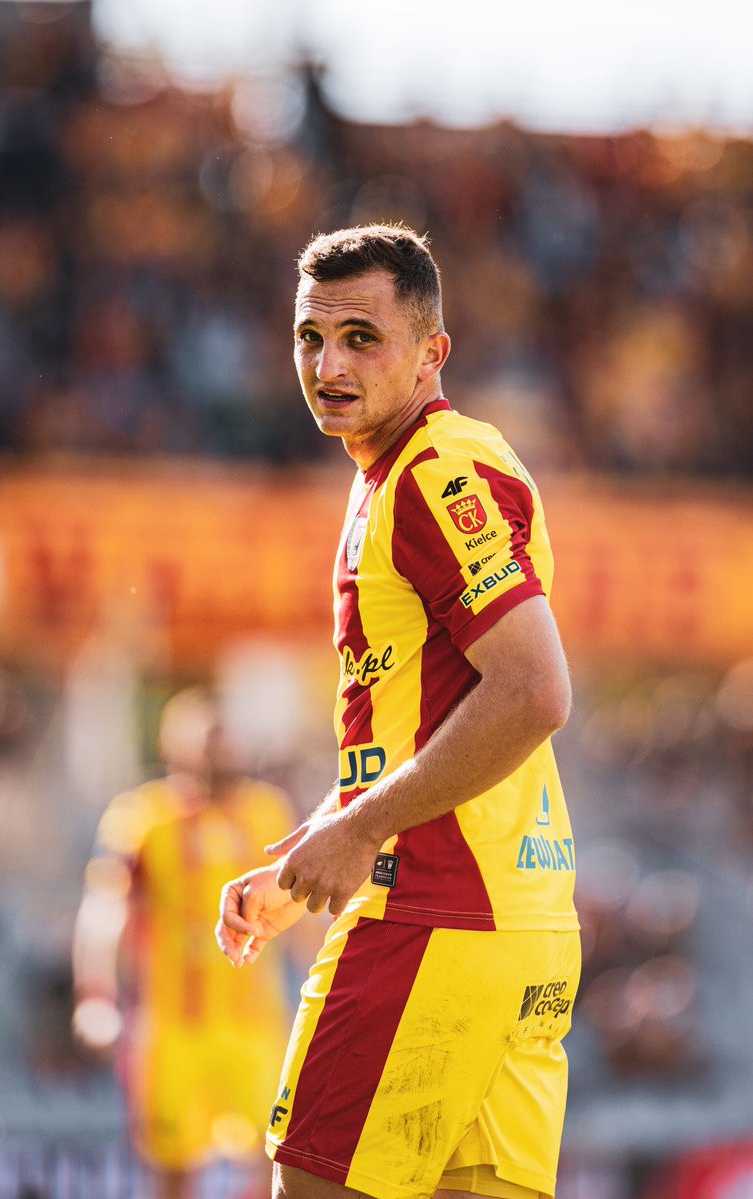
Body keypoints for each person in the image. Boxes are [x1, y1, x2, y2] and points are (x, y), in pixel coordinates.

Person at [217, 224, 580, 1199]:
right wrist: (314, 851)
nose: (327, 365)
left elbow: (534, 691)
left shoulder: (429, 473)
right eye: (310, 336)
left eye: (360, 338)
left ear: (430, 352)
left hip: (428, 914)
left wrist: (363, 830)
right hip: (524, 927)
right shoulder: (422, 465)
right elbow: (420, 726)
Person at [73, 686, 294, 1199]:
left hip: (254, 1027)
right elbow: (105, 908)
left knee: (273, 1163)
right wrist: (96, 997)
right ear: (174, 747)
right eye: (207, 742)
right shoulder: (143, 818)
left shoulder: (268, 813)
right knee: (173, 1171)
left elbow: (301, 913)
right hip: (172, 1030)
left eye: (226, 741)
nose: (220, 753)